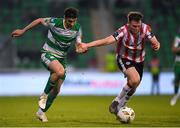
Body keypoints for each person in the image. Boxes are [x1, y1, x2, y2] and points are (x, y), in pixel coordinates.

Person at [11, 7, 85, 122]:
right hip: (48, 53)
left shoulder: (78, 28)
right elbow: (39, 20)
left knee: (56, 91)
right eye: (70, 21)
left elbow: (78, 44)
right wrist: (23, 30)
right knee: (59, 71)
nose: (72, 23)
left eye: (74, 21)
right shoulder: (55, 22)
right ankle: (44, 95)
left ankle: (41, 112)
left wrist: (80, 49)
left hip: (62, 59)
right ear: (64, 18)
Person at [79, 11, 160, 116]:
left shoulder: (146, 29)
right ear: (129, 24)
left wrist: (157, 45)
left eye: (138, 26)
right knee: (135, 80)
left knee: (134, 85)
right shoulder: (123, 30)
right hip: (124, 58)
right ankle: (117, 100)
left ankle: (121, 106)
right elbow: (107, 40)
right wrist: (88, 45)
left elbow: (156, 42)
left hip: (139, 60)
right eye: (134, 26)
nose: (137, 28)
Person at [170, 33, 180, 106]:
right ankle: (175, 95)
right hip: (178, 62)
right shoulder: (178, 38)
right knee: (177, 79)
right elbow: (173, 49)